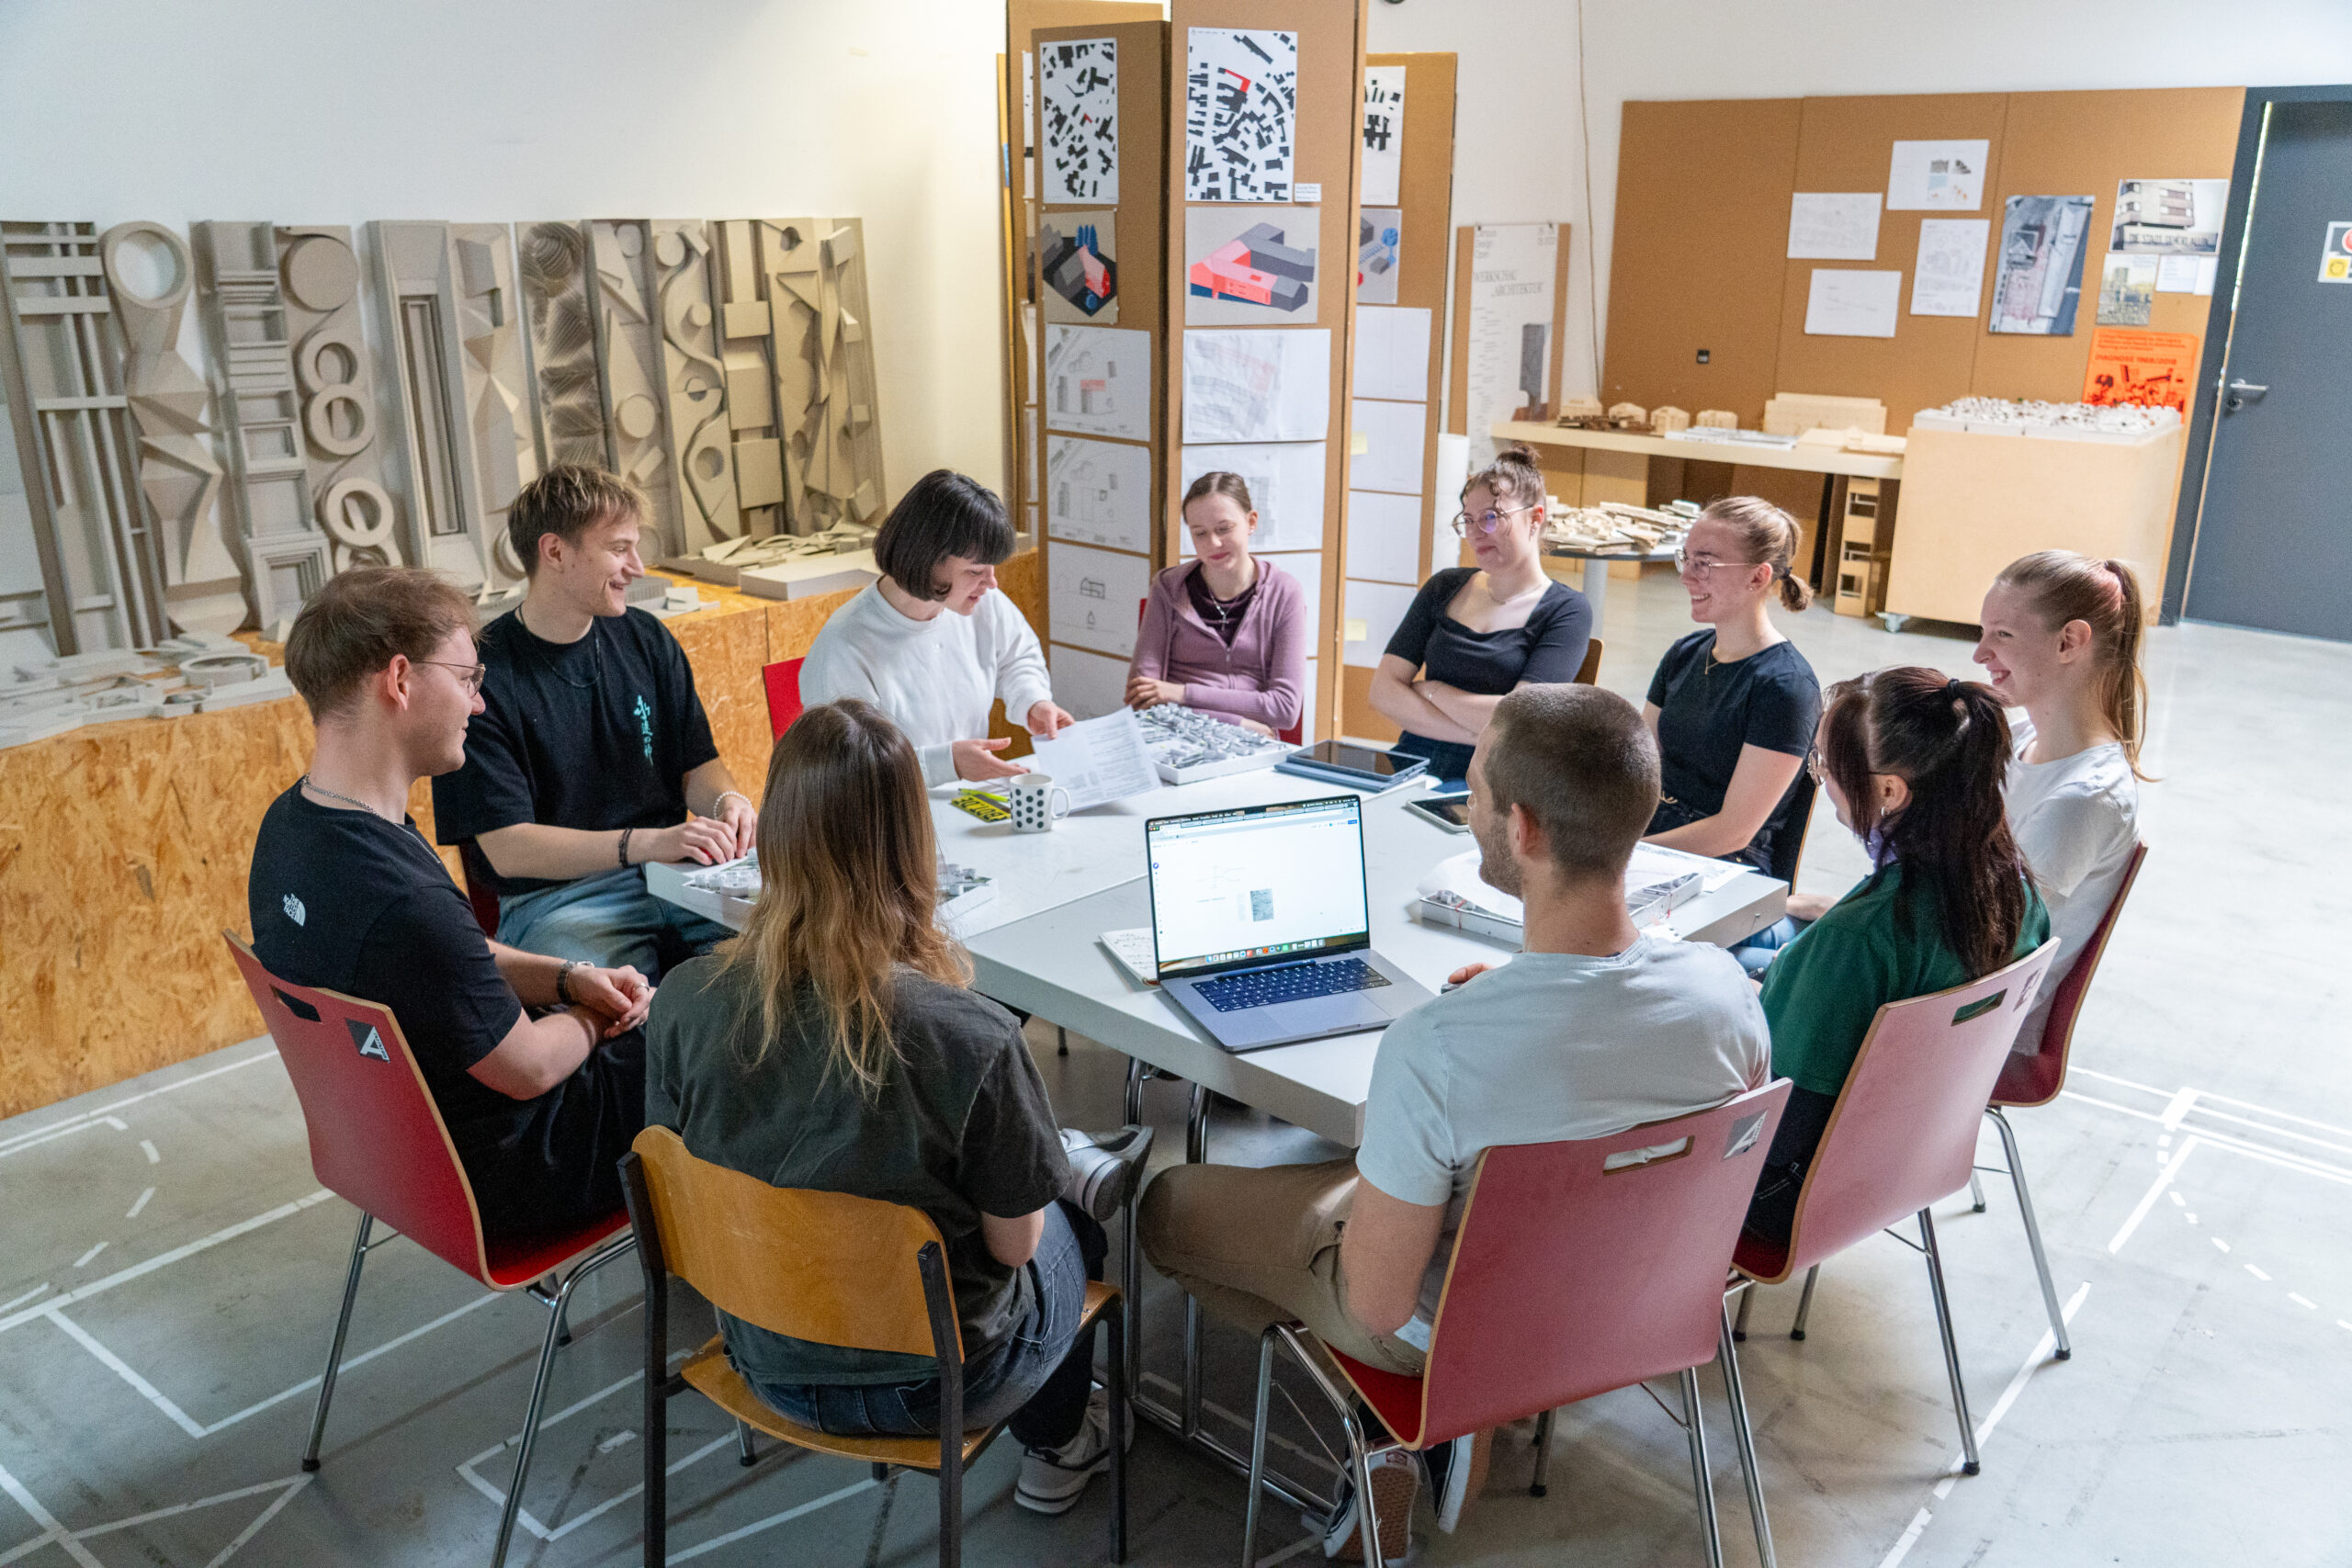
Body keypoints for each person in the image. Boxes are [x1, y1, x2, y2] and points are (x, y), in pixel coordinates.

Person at [1138, 685, 1769, 1562]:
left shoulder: (1438, 1046)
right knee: (1398, 1169)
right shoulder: (1727, 993)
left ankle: (1397, 1431)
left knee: (1165, 1202)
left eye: (1473, 791)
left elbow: (1380, 1304)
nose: (1467, 808)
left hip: (1457, 1330)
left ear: (1523, 829)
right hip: (1633, 1298)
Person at [644, 699, 1150, 1517]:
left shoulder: (682, 999)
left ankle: (1051, 1156)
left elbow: (675, 1175)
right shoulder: (972, 1035)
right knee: (1069, 1226)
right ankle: (1060, 1441)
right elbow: (1014, 1247)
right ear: (917, 845)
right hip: (941, 1382)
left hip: (760, 1352)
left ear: (776, 836)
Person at [250, 567, 653, 1238]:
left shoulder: (290, 828)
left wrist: (568, 978)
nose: (479, 704)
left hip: (392, 1162)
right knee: (708, 1032)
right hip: (509, 1176)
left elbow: (453, 959)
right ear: (400, 680)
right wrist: (600, 1015)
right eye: (467, 679)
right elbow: (530, 1067)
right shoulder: (403, 900)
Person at [1744, 669, 2051, 1247]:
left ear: (1889, 792)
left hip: (1795, 1194)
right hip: (1915, 1155)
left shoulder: (1857, 938)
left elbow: (1780, 1124)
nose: (1821, 781)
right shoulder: (2015, 892)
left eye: (1824, 767)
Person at [431, 465, 751, 980]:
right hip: (561, 899)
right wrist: (646, 843)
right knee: (617, 1002)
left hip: (678, 873)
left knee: (793, 959)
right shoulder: (484, 675)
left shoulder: (647, 638)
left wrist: (728, 803)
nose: (637, 568)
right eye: (619, 549)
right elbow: (509, 849)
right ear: (555, 552)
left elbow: (697, 766)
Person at [1974, 552, 2148, 1049]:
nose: (1980, 654)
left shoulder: (2083, 800)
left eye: (2003, 635)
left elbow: (1983, 941)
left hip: (1972, 1032)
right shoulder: (2017, 736)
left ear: (2069, 642)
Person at [802, 469, 1073, 786]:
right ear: (928, 560)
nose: (991, 582)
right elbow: (851, 769)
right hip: (893, 808)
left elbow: (1017, 658)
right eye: (975, 571)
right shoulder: (845, 645)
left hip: (968, 799)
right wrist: (948, 764)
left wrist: (1033, 701)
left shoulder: (982, 604)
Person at [1368, 444, 1592, 785]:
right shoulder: (1444, 586)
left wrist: (1432, 690)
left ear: (1535, 517)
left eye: (1490, 517)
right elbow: (1382, 691)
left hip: (1493, 781)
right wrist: (1474, 734)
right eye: (1468, 520)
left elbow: (1519, 723)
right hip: (1411, 763)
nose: (1475, 533)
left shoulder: (1567, 610)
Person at [1644, 496, 1822, 874]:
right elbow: (1640, 766)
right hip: (1656, 838)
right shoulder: (1684, 653)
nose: (1686, 576)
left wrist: (1625, 853)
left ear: (1757, 577)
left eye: (1705, 563)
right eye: (1686, 558)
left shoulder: (1786, 687)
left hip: (1725, 865)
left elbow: (1733, 833)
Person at [1126, 471, 1306, 738]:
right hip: (1176, 736)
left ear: (1251, 522)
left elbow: (1285, 709)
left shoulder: (1284, 592)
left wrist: (1182, 694)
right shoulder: (1167, 587)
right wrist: (1236, 722)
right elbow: (1142, 697)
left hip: (1250, 746)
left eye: (1224, 529)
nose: (1214, 543)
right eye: (1200, 534)